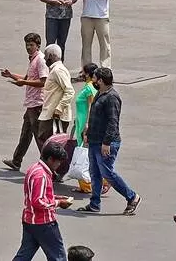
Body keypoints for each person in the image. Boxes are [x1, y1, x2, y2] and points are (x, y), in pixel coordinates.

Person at [77, 68, 140, 215]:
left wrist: (106, 143)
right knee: (95, 172)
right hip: (94, 140)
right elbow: (95, 115)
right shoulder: (100, 93)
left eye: (95, 79)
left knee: (107, 173)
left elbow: (113, 122)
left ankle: (132, 197)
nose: (93, 81)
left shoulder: (112, 97)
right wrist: (88, 132)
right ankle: (94, 204)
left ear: (101, 81)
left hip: (106, 143)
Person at [12, 142, 73, 261]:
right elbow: (38, 201)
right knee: (58, 257)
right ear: (50, 159)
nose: (59, 165)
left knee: (24, 255)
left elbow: (38, 194)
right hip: (43, 222)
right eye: (58, 162)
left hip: (30, 221)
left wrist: (56, 197)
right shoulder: (42, 175)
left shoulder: (34, 169)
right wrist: (58, 203)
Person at [1, 33, 48, 172]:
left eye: (31, 45)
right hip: (30, 104)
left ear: (38, 46)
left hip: (37, 104)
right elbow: (27, 78)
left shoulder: (40, 60)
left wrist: (24, 82)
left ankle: (50, 167)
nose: (28, 47)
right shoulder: (32, 59)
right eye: (27, 45)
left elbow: (43, 81)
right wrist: (11, 75)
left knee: (39, 138)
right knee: (25, 134)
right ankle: (16, 161)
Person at [72, 63, 105, 195]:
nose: (81, 73)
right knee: (84, 152)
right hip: (81, 122)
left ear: (88, 74)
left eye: (83, 72)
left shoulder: (90, 87)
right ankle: (86, 184)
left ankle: (87, 184)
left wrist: (87, 125)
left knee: (83, 153)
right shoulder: (89, 86)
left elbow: (92, 107)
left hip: (85, 124)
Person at [39, 44, 75, 140]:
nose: (45, 59)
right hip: (50, 114)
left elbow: (70, 91)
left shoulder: (58, 70)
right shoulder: (56, 70)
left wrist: (59, 109)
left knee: (51, 144)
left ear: (50, 56)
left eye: (46, 56)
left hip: (55, 116)